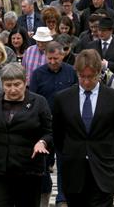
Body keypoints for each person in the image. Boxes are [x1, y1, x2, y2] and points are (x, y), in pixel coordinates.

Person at [52, 49, 114, 207]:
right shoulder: (62, 98)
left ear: (99, 73)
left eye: (91, 77)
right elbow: (58, 134)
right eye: (82, 77)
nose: (86, 82)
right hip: (73, 170)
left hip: (104, 169)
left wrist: (109, 157)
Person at [0, 62, 52, 207]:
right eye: (8, 85)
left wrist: (42, 142)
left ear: (26, 81)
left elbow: (50, 132)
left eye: (17, 84)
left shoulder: (39, 102)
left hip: (28, 171)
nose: (12, 89)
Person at [30, 41, 78, 207]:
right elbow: (33, 98)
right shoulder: (37, 74)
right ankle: (45, 190)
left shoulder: (72, 72)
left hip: (67, 124)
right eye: (49, 59)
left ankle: (63, 197)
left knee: (64, 161)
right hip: (45, 125)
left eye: (56, 58)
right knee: (43, 162)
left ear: (62, 55)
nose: (52, 62)